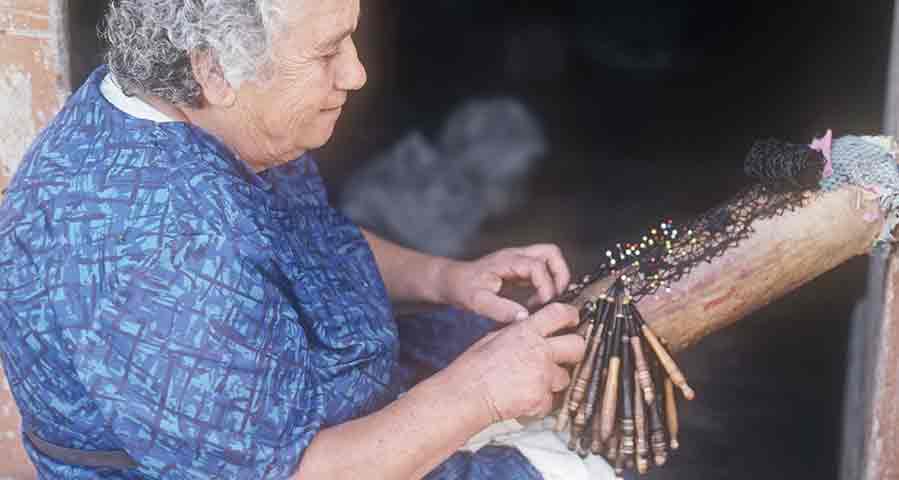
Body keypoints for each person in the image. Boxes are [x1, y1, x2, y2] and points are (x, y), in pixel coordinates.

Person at [0, 1, 613, 478]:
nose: (356, 72)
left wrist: (446, 278)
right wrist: (477, 394)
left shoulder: (202, 116)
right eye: (326, 53)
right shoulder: (159, 248)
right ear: (213, 71)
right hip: (307, 464)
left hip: (329, 386)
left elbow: (308, 243)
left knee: (551, 339)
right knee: (587, 461)